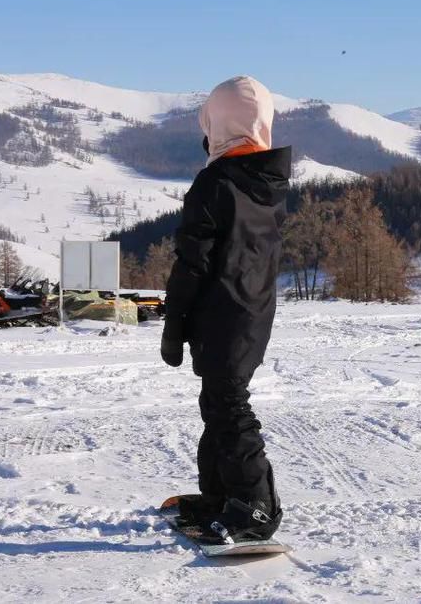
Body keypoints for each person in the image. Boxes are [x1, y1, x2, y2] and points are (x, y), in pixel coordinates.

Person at [160, 75, 291, 542]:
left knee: (230, 407)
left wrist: (173, 324)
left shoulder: (215, 184)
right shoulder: (267, 181)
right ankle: (223, 496)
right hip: (252, 314)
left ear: (215, 122)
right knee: (218, 402)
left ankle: (256, 508)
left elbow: (192, 263)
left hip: (220, 313)